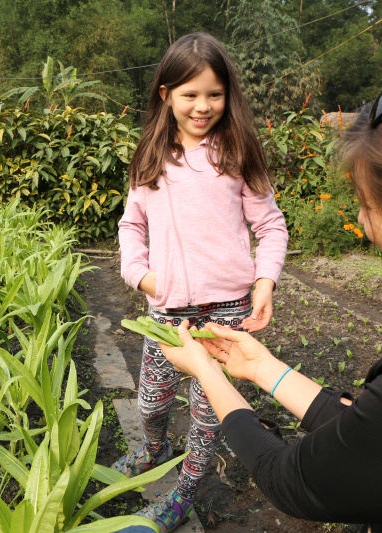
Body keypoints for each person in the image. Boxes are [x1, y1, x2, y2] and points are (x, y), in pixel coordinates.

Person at [159, 53, 382, 532]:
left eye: (367, 205)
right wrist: (261, 368)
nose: (363, 225)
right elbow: (380, 430)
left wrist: (205, 371)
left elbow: (290, 478)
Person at [116, 33, 288, 531]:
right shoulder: (150, 156)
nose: (203, 106)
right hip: (168, 316)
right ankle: (153, 448)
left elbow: (271, 225)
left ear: (228, 95)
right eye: (190, 94)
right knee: (151, 403)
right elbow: (131, 226)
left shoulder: (237, 152)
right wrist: (142, 276)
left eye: (214, 94)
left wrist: (265, 282)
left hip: (227, 315)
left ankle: (183, 493)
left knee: (209, 416)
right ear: (165, 93)